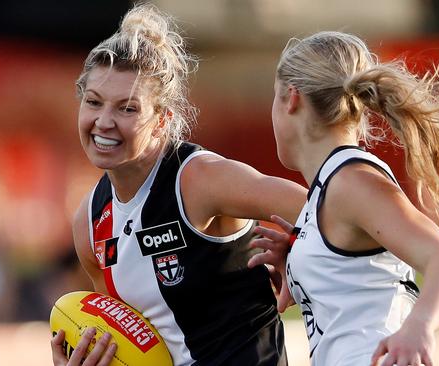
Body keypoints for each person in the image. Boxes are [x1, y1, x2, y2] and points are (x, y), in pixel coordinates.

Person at [50, 4, 306, 366]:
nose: (103, 122)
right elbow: (129, 345)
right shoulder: (89, 224)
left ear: (162, 120)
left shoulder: (199, 179)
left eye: (127, 108)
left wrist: (297, 250)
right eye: (94, 102)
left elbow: (325, 206)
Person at [248, 31, 439, 366]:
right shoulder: (330, 186)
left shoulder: (350, 182)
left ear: (291, 98)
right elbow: (358, 288)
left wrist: (419, 326)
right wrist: (304, 268)